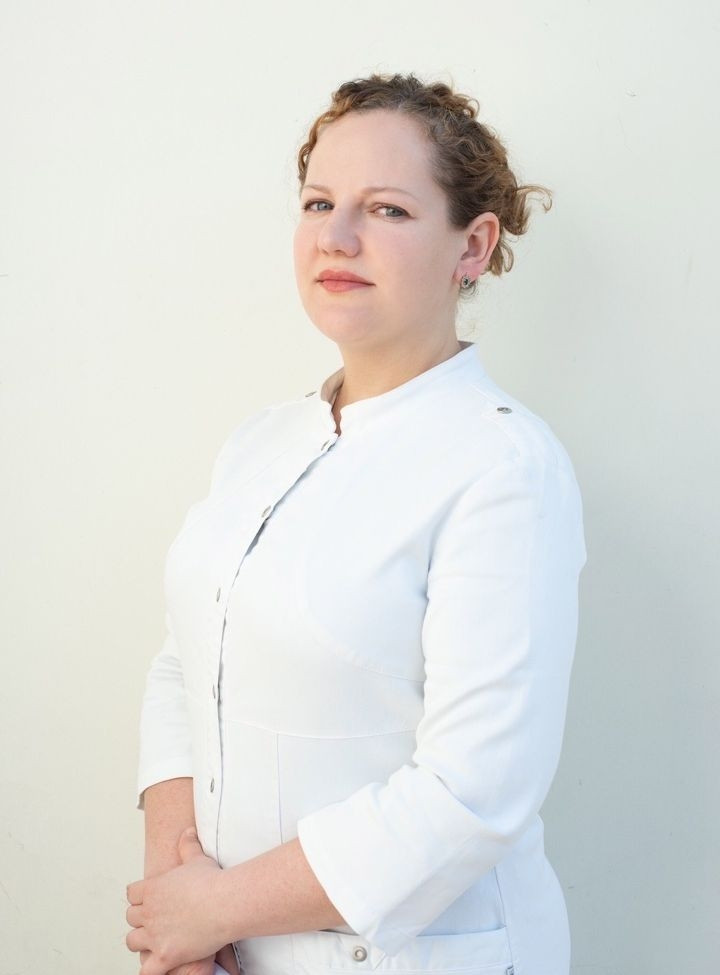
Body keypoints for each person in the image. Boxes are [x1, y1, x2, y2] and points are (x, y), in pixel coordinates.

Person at [125, 72, 587, 975]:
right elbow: (185, 661)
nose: (336, 237)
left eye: (386, 209)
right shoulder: (263, 440)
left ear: (473, 245)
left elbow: (473, 790)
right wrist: (175, 903)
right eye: (318, 202)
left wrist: (213, 907)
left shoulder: (505, 469)